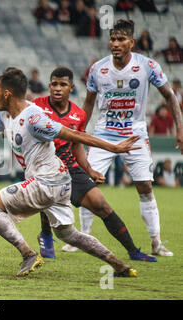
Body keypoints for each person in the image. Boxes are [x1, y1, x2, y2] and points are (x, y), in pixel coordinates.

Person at [0, 67, 140, 277]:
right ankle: (119, 265)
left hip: (47, 181)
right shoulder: (4, 115)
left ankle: (28, 254)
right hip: (58, 182)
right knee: (68, 234)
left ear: (7, 94)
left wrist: (115, 148)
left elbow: (75, 135)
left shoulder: (34, 117)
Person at [81, 19, 183, 257]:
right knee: (88, 183)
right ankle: (83, 236)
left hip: (135, 135)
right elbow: (88, 103)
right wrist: (79, 133)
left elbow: (169, 96)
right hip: (104, 134)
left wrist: (180, 128)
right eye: (112, 39)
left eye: (121, 39)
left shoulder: (147, 65)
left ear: (131, 42)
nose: (115, 44)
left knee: (145, 187)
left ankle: (156, 243)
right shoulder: (98, 68)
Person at [32, 67, 156, 262]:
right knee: (47, 194)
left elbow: (77, 146)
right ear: (49, 86)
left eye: (62, 84)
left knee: (101, 205)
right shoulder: (36, 106)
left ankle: (133, 251)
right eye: (54, 84)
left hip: (70, 167)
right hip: (44, 166)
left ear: (71, 87)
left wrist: (89, 170)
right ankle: (46, 235)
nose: (57, 88)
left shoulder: (78, 114)